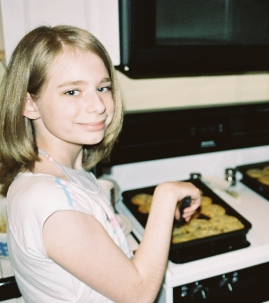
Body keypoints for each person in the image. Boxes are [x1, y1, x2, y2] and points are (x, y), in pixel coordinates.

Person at [0, 25, 201, 303]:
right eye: (72, 92)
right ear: (30, 105)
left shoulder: (61, 171)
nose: (98, 105)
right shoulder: (51, 202)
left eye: (102, 87)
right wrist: (166, 196)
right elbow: (139, 293)